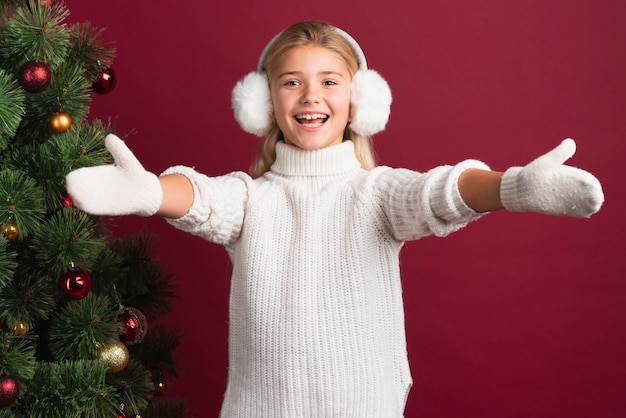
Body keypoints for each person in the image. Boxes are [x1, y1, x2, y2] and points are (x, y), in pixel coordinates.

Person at [66, 20, 604, 418]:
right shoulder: (253, 200)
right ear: (264, 101)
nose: (310, 96)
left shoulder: (377, 193)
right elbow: (204, 199)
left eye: (329, 81)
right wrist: (153, 191)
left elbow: (439, 193)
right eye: (291, 81)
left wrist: (509, 186)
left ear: (358, 99)